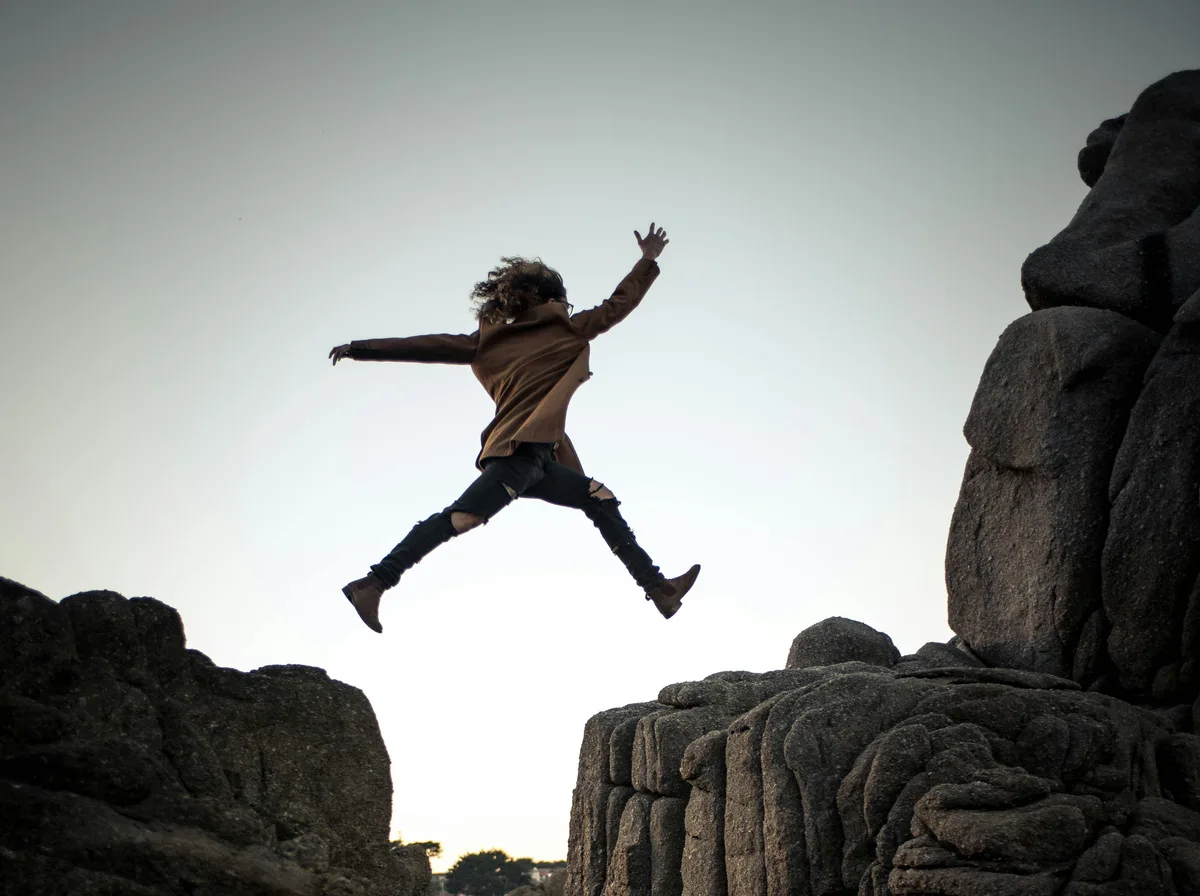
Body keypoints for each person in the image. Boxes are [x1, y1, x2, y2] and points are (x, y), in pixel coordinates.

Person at [329, 223, 699, 633]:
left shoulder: (487, 341)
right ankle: (375, 582)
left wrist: (361, 349)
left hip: (541, 458)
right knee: (463, 517)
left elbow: (426, 344)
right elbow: (618, 304)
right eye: (564, 299)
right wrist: (647, 260)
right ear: (552, 299)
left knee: (599, 497)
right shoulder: (566, 329)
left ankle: (659, 589)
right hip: (516, 454)